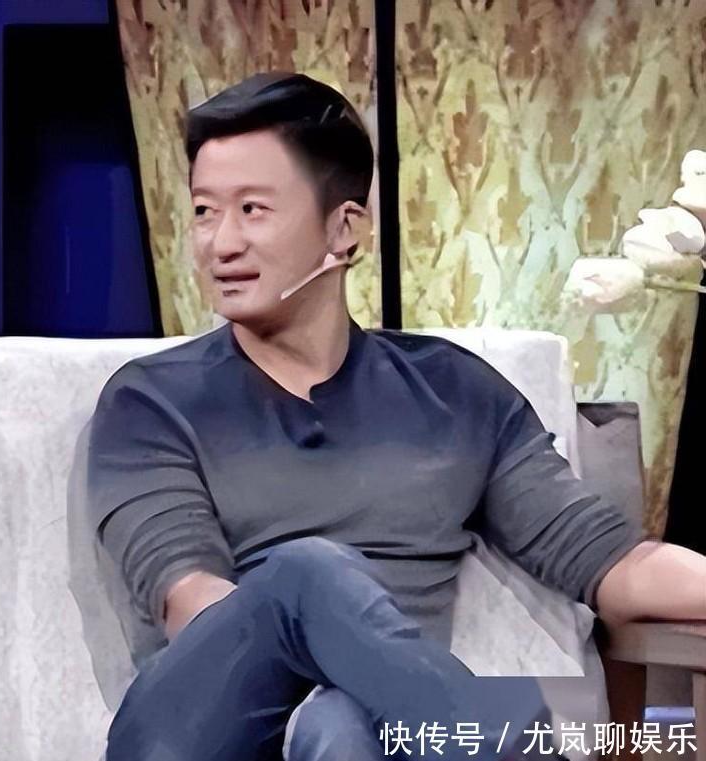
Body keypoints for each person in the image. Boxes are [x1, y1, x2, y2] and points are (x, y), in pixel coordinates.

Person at [87, 72, 706, 761]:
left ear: (345, 227)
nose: (219, 243)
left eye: (252, 210)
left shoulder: (454, 394)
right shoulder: (152, 399)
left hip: (379, 733)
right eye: (205, 211)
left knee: (341, 722)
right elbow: (191, 602)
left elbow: (614, 565)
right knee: (305, 576)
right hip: (198, 728)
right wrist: (326, 640)